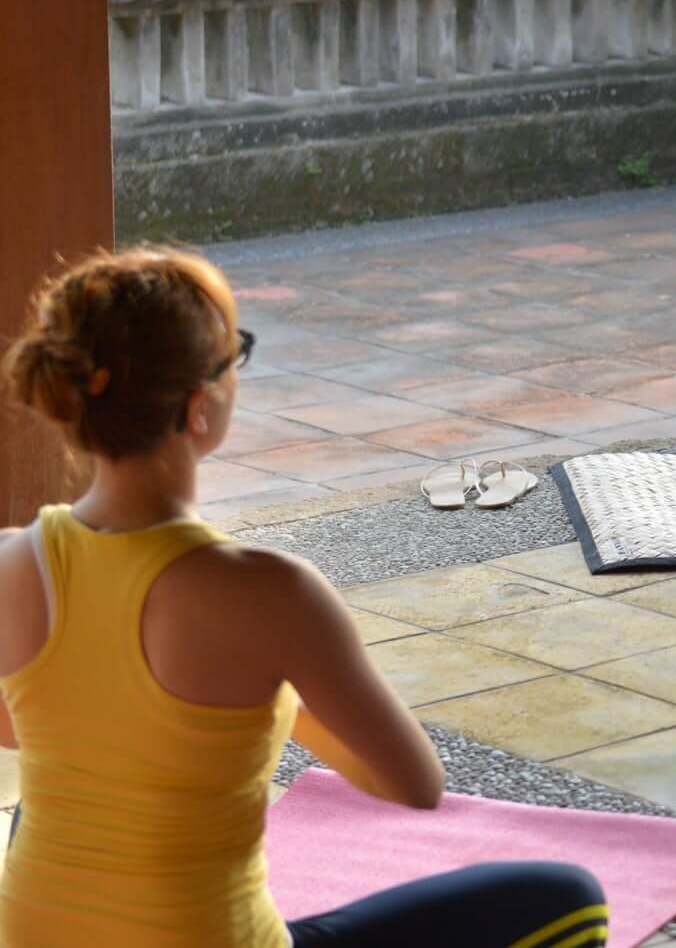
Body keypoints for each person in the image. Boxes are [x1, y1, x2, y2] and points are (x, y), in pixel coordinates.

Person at [0, 249, 608, 946]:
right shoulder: (268, 590)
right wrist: (274, 703)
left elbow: (20, 725)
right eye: (237, 357)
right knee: (571, 901)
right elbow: (412, 781)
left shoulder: (10, 561)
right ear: (199, 408)